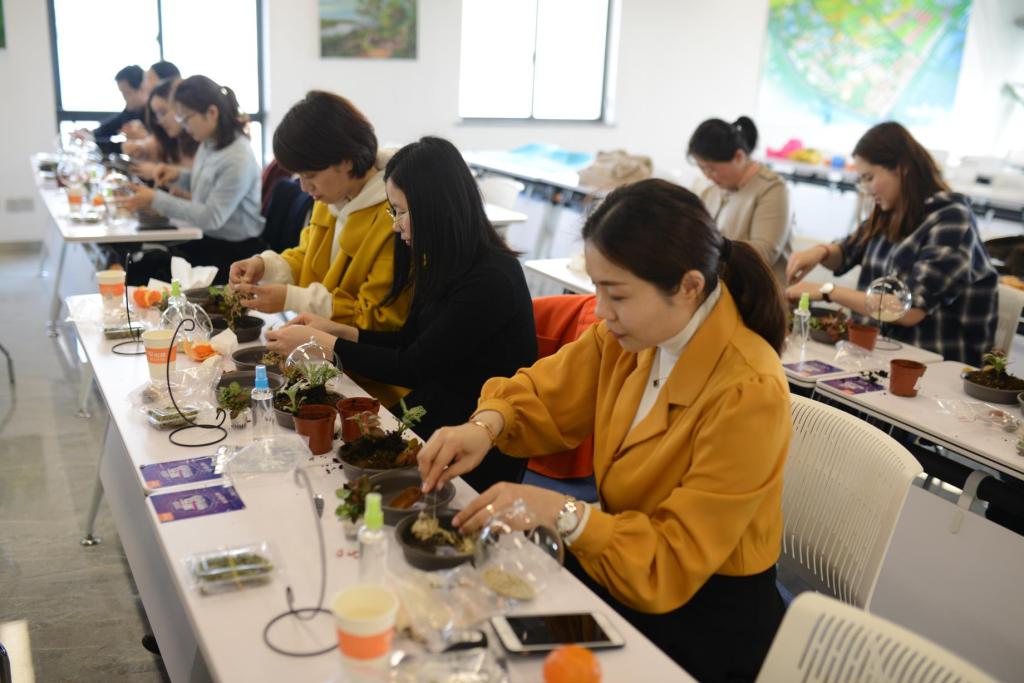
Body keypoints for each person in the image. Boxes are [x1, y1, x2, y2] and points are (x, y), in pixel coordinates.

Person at [416, 178, 790, 682]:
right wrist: (485, 425)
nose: (599, 310)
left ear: (688, 287)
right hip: (621, 558)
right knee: (470, 617)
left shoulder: (748, 390)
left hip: (700, 610)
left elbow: (673, 558)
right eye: (596, 288)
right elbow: (546, 392)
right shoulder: (630, 335)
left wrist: (563, 512)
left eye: (616, 294)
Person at [265, 137, 537, 493]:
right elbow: (410, 340)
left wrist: (325, 344)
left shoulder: (491, 279)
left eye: (402, 212)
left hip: (474, 439)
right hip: (434, 413)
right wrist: (340, 332)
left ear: (437, 209)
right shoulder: (439, 261)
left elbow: (413, 366)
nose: (396, 225)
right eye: (393, 212)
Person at [228, 91, 413, 401]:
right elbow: (309, 255)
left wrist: (292, 297)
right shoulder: (333, 196)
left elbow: (378, 320)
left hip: (371, 381)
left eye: (310, 175)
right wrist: (264, 265)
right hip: (327, 359)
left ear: (346, 161)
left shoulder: (393, 216)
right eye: (299, 176)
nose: (304, 187)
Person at [785, 121, 997, 365]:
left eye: (869, 178)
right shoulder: (891, 211)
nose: (866, 189)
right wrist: (819, 252)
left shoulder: (952, 220)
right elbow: (846, 252)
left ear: (901, 168)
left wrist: (827, 292)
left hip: (932, 366)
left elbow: (907, 311)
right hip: (879, 355)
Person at [119, 75, 265, 282]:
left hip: (233, 254)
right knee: (140, 264)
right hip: (209, 242)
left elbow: (212, 217)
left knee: (143, 271)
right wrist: (178, 176)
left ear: (212, 113)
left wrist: (155, 199)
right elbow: (208, 185)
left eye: (186, 119)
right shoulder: (210, 142)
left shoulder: (237, 157)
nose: (185, 127)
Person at [689, 116, 793, 285]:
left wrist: (710, 246)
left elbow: (764, 254)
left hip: (758, 291)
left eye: (712, 169)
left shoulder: (772, 189)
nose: (707, 176)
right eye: (702, 168)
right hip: (721, 286)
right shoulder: (711, 190)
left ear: (738, 156)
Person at [125, 78, 198, 180]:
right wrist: (138, 148)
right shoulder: (169, 138)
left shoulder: (202, 142)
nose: (160, 121)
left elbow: (199, 185)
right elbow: (150, 144)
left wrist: (156, 172)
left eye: (163, 113)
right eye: (156, 116)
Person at [77, 65, 150, 154]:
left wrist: (92, 141)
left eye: (127, 93)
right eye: (122, 93)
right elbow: (107, 129)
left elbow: (126, 147)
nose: (125, 98)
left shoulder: (154, 115)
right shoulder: (130, 112)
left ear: (143, 87)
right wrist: (89, 134)